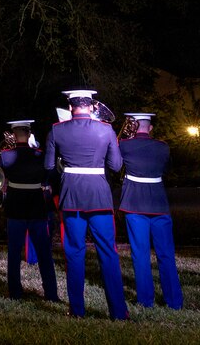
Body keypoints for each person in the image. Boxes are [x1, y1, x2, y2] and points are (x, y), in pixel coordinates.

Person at [45, 89, 127, 320]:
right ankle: (119, 312)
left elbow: (49, 166)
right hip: (99, 196)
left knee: (74, 254)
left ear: (70, 106)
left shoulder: (56, 129)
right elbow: (116, 165)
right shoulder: (106, 129)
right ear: (91, 106)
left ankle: (77, 310)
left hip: (71, 195)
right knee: (108, 254)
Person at [118, 112, 182, 309]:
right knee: (166, 254)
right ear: (150, 128)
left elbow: (115, 163)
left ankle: (146, 300)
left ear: (133, 126)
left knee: (140, 253)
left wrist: (124, 137)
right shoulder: (163, 147)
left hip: (135, 204)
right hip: (159, 204)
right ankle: (174, 301)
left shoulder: (124, 145)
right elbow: (168, 169)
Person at [0, 119, 60, 303]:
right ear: (29, 133)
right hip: (36, 204)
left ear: (14, 134)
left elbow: (1, 179)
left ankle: (15, 292)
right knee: (44, 252)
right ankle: (51, 293)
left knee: (14, 252)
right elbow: (51, 175)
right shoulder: (39, 155)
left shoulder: (5, 155)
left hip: (15, 206)